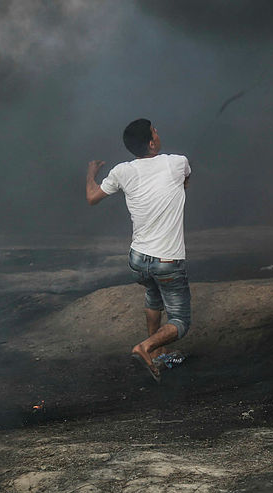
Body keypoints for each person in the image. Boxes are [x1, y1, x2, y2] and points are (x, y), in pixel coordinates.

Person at [86, 118, 191, 383]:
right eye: (155, 131)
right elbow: (186, 181)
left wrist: (91, 173)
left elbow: (92, 198)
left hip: (138, 259)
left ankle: (158, 354)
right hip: (167, 260)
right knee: (180, 321)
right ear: (152, 143)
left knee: (154, 296)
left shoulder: (122, 171)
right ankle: (144, 347)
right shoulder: (176, 162)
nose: (158, 132)